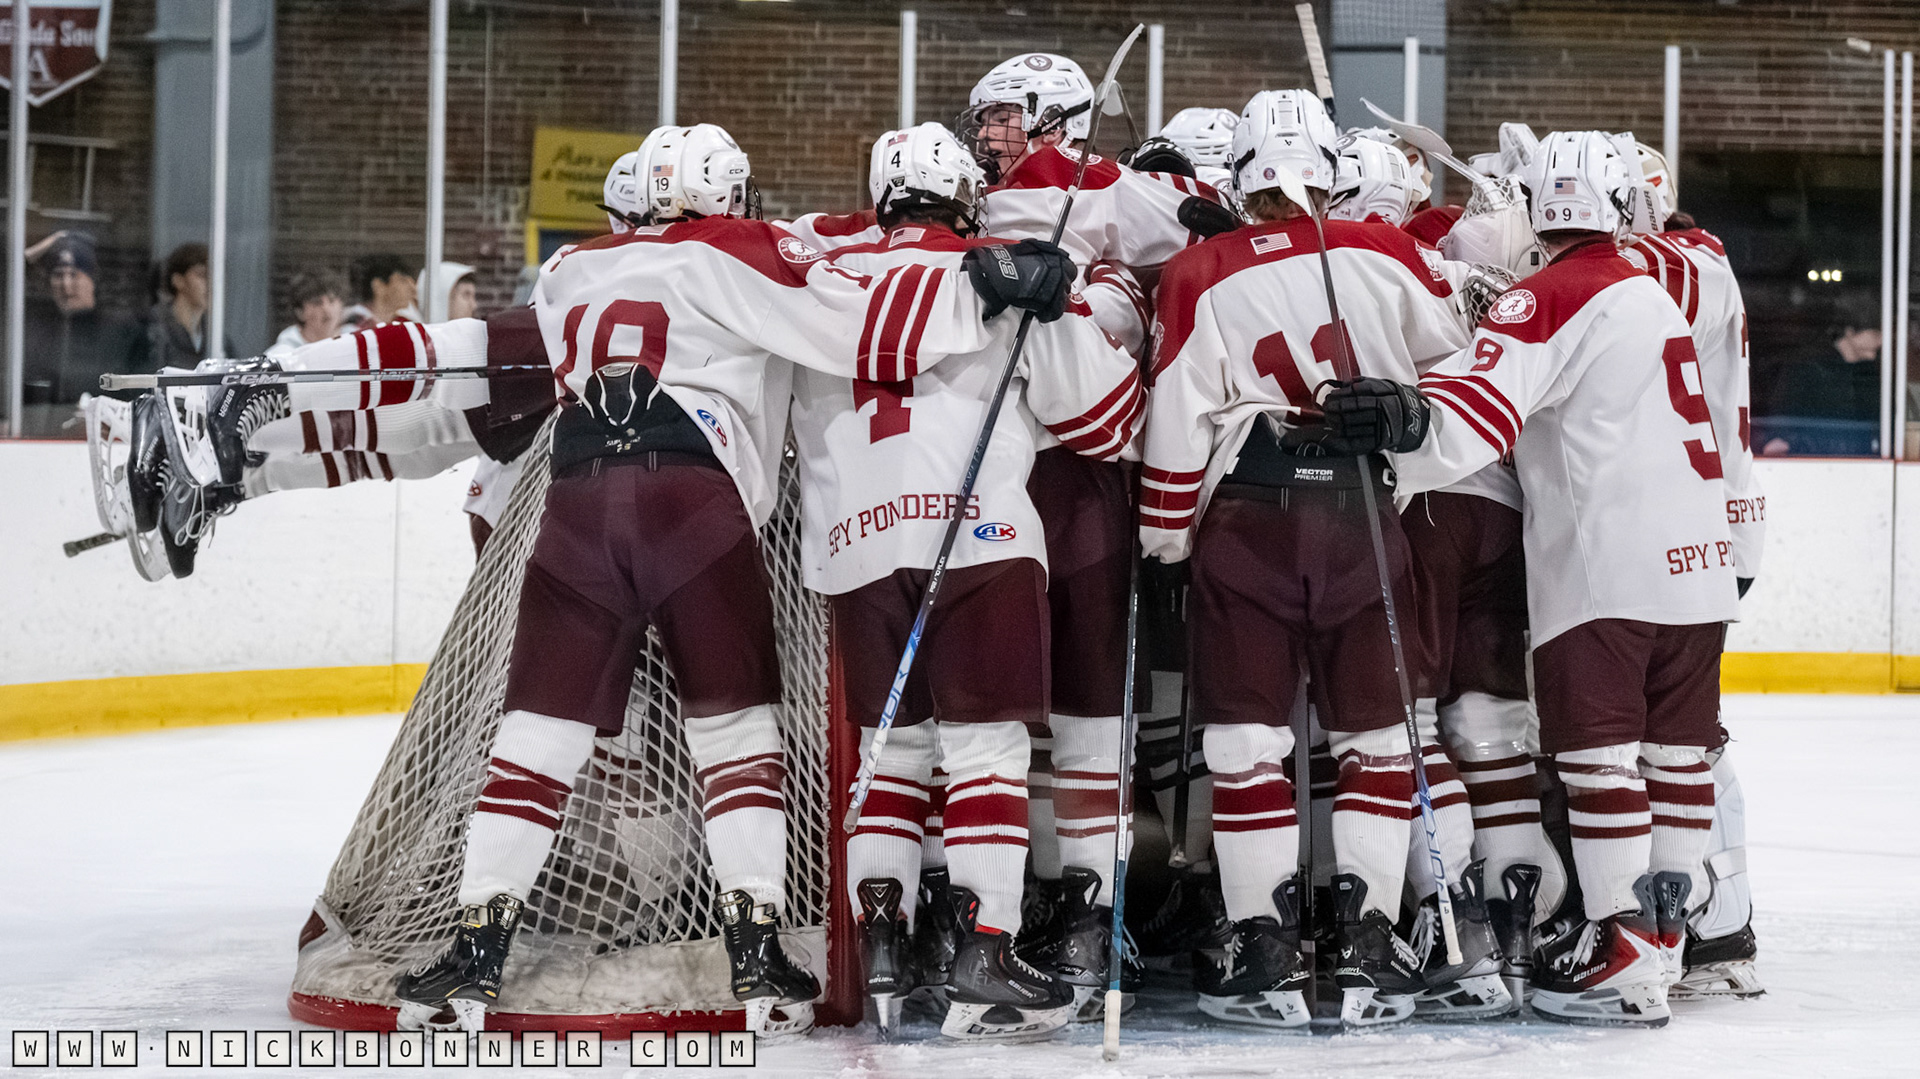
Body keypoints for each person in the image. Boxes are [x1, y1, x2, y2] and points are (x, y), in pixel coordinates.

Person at [203, 121, 1072, 1036]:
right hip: (693, 502)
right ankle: (756, 951)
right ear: (722, 194)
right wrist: (981, 281)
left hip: (575, 500)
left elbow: (465, 360)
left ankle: (475, 949)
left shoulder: (571, 267)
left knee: (536, 736)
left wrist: (285, 395)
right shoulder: (741, 248)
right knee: (736, 731)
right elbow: (862, 326)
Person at [1326, 129, 1737, 1028]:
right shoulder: (1649, 289)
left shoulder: (1549, 293)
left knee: (1598, 761)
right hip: (1699, 566)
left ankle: (1619, 942)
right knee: (1676, 757)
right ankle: (1663, 943)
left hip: (1606, 567)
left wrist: (1403, 420)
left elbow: (1479, 413)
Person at [1141, 89, 1502, 1031]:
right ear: (1331, 171)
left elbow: (1175, 422)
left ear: (1240, 174)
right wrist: (1405, 411)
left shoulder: (1195, 269)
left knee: (1245, 747)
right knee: (1379, 744)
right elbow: (1467, 362)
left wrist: (1166, 538)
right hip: (1362, 518)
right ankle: (1369, 945)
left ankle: (1262, 951)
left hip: (1247, 524)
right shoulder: (1385, 252)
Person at [802, 122, 1142, 1041]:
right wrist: (1081, 301)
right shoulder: (1004, 272)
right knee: (985, 752)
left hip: (853, 546)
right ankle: (986, 953)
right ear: (965, 197)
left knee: (893, 752)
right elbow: (1107, 421)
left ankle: (885, 947)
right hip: (978, 534)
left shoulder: (818, 277)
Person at [958, 51, 1215, 969]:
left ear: (1057, 121)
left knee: (1086, 705)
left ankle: (1088, 904)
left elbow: (1197, 235)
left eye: (1006, 116)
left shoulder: (1101, 199)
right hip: (990, 474)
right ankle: (1026, 896)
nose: (989, 134)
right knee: (1005, 712)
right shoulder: (967, 206)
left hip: (1080, 479)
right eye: (985, 117)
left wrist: (1187, 205)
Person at [1627, 140, 1766, 1001]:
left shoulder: (1688, 262)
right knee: (1683, 730)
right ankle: (1715, 921)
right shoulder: (1693, 258)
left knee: (1684, 734)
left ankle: (1717, 922)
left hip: (1700, 521)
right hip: (1712, 518)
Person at [20, 230, 149, 411]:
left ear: (93, 278)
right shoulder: (41, 326)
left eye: (74, 275)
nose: (66, 285)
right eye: (58, 275)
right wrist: (51, 242)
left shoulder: (122, 329)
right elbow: (8, 280)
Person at [1761, 294, 1882, 456]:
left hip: (1858, 461)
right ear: (1850, 331)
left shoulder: (1869, 372)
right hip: (1814, 460)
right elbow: (1781, 422)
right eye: (1876, 333)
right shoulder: (1807, 368)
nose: (1881, 340)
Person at [148, 243, 234, 370]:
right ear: (178, 280)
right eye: (202, 275)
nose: (211, 283)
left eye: (216, 276)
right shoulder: (151, 331)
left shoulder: (217, 338)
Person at [270, 270, 346, 355]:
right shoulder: (280, 356)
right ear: (300, 312)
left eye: (332, 301)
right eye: (317, 303)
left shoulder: (351, 349)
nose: (326, 309)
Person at [344, 253, 420, 329]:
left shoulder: (403, 324)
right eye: (402, 281)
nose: (413, 289)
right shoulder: (354, 326)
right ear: (378, 286)